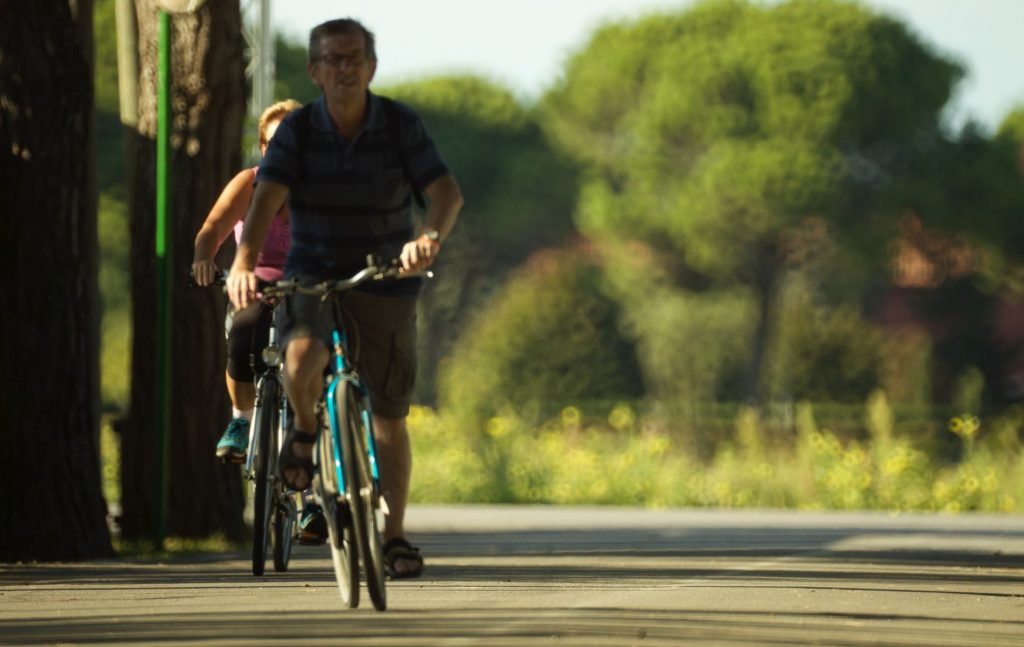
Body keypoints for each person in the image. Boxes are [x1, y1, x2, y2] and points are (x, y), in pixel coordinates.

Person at [226, 18, 463, 579]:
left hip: (383, 275)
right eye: (332, 59)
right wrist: (242, 260)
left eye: (354, 57)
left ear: (372, 67)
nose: (344, 67)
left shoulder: (400, 125)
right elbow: (263, 203)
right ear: (315, 70)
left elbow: (445, 194)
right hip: (311, 271)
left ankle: (396, 535)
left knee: (389, 415)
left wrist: (429, 236)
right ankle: (304, 431)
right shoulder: (298, 132)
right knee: (301, 357)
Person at [192, 99, 301, 460]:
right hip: (256, 285)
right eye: (272, 143)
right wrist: (203, 259)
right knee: (243, 332)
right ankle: (241, 420)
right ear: (262, 147)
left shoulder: (318, 189)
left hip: (305, 287)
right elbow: (213, 227)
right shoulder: (249, 183)